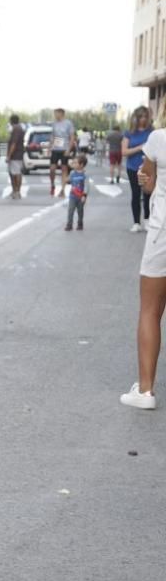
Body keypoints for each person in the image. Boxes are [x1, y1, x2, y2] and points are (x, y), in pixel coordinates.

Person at [122, 102, 166, 410]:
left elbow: (148, 186)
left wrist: (143, 179)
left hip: (163, 234)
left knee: (150, 309)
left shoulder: (158, 140)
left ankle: (146, 391)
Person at [124, 106, 153, 233]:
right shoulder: (129, 132)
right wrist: (140, 147)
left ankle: (148, 220)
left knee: (148, 193)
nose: (143, 119)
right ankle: (136, 222)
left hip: (148, 166)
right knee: (135, 194)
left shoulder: (151, 131)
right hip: (132, 167)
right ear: (135, 117)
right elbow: (124, 151)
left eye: (145, 116)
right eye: (141, 116)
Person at [49, 108, 76, 196]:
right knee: (52, 169)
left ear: (61, 114)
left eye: (56, 113)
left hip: (64, 148)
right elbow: (52, 136)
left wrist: (69, 149)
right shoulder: (54, 124)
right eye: (54, 114)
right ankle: (52, 185)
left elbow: (72, 137)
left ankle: (63, 190)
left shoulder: (68, 123)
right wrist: (50, 148)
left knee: (64, 169)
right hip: (55, 149)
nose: (55, 115)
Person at [65, 155, 87, 231]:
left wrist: (84, 195)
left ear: (81, 165)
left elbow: (87, 186)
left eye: (75, 163)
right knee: (70, 210)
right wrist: (67, 177)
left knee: (80, 211)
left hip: (81, 196)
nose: (73, 164)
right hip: (73, 195)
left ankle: (80, 223)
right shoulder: (72, 173)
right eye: (73, 163)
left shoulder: (84, 175)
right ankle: (69, 224)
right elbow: (68, 181)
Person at [6, 114, 25, 199]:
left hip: (16, 155)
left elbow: (14, 143)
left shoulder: (16, 129)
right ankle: (14, 190)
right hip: (17, 154)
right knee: (12, 173)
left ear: (11, 121)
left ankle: (17, 191)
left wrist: (9, 155)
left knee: (16, 173)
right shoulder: (19, 128)